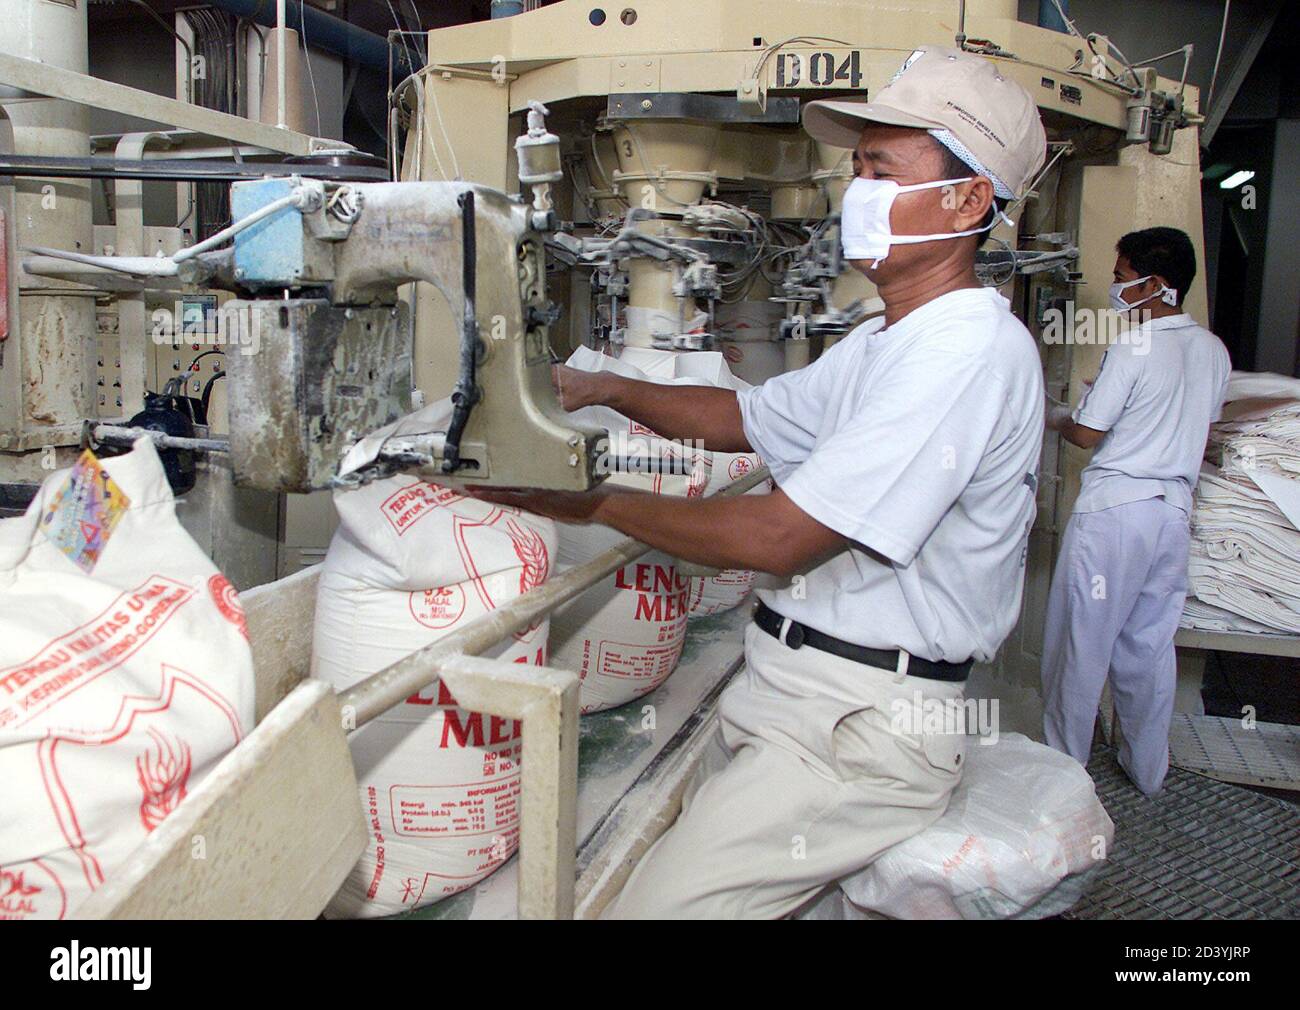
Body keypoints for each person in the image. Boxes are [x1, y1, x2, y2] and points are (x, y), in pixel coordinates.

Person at [471, 45, 1047, 918]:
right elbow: (744, 419)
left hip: (858, 730)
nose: (857, 192)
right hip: (791, 691)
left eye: (881, 171)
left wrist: (582, 501)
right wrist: (604, 386)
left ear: (968, 201)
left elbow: (779, 538)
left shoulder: (965, 351)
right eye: (857, 170)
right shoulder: (885, 340)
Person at [1042, 226, 1230, 796]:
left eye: (1122, 277)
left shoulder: (1134, 346)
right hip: (1172, 515)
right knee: (1148, 647)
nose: (1115, 287)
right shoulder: (1213, 350)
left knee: (1080, 644)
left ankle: (1063, 779)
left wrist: (1054, 412)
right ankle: (1148, 771)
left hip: (1115, 513)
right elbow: (1194, 420)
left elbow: (1086, 433)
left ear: (1155, 285)